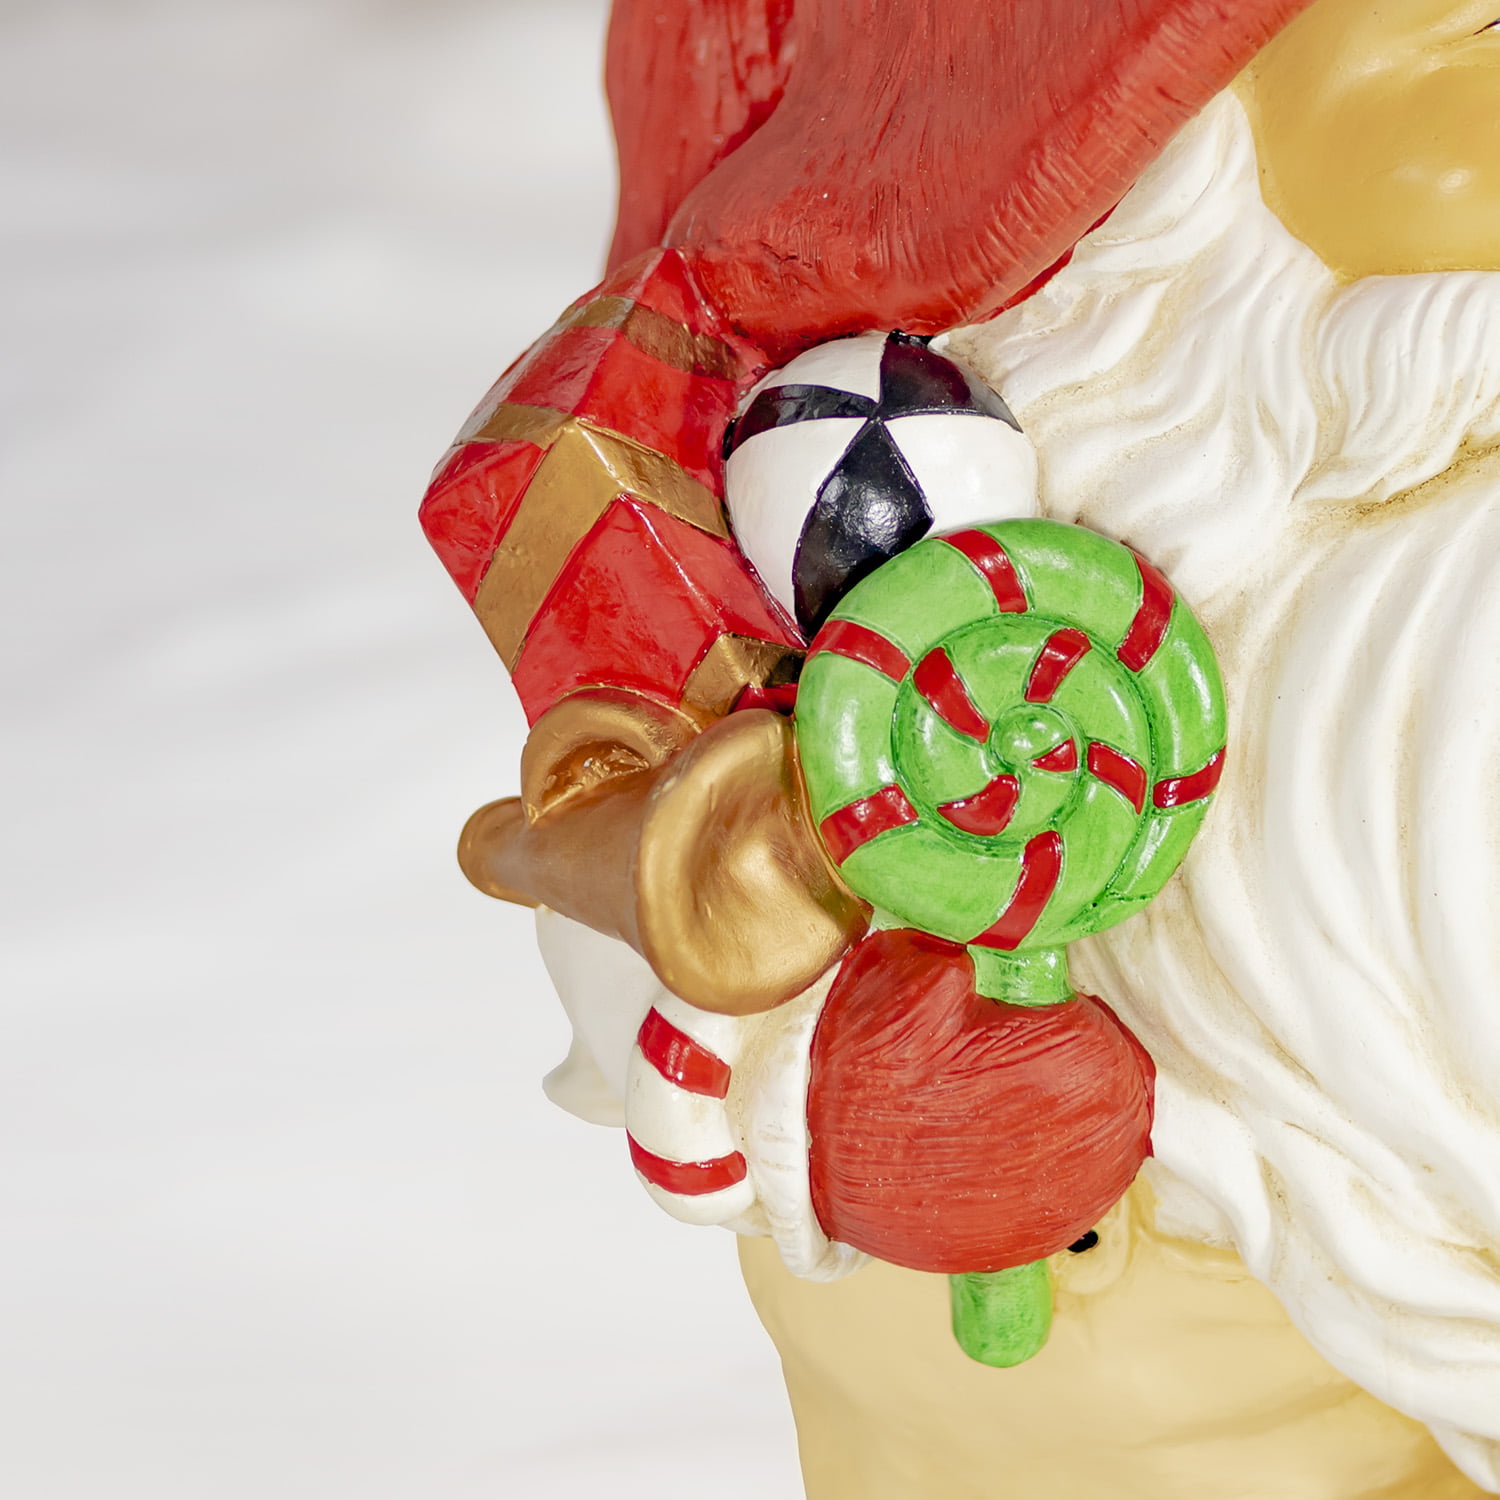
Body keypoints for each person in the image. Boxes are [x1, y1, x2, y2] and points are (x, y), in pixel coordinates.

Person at [421, 0, 1500, 1493]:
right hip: (1133, 1388)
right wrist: (829, 1081)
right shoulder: (945, 498)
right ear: (1183, 173)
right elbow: (674, 917)